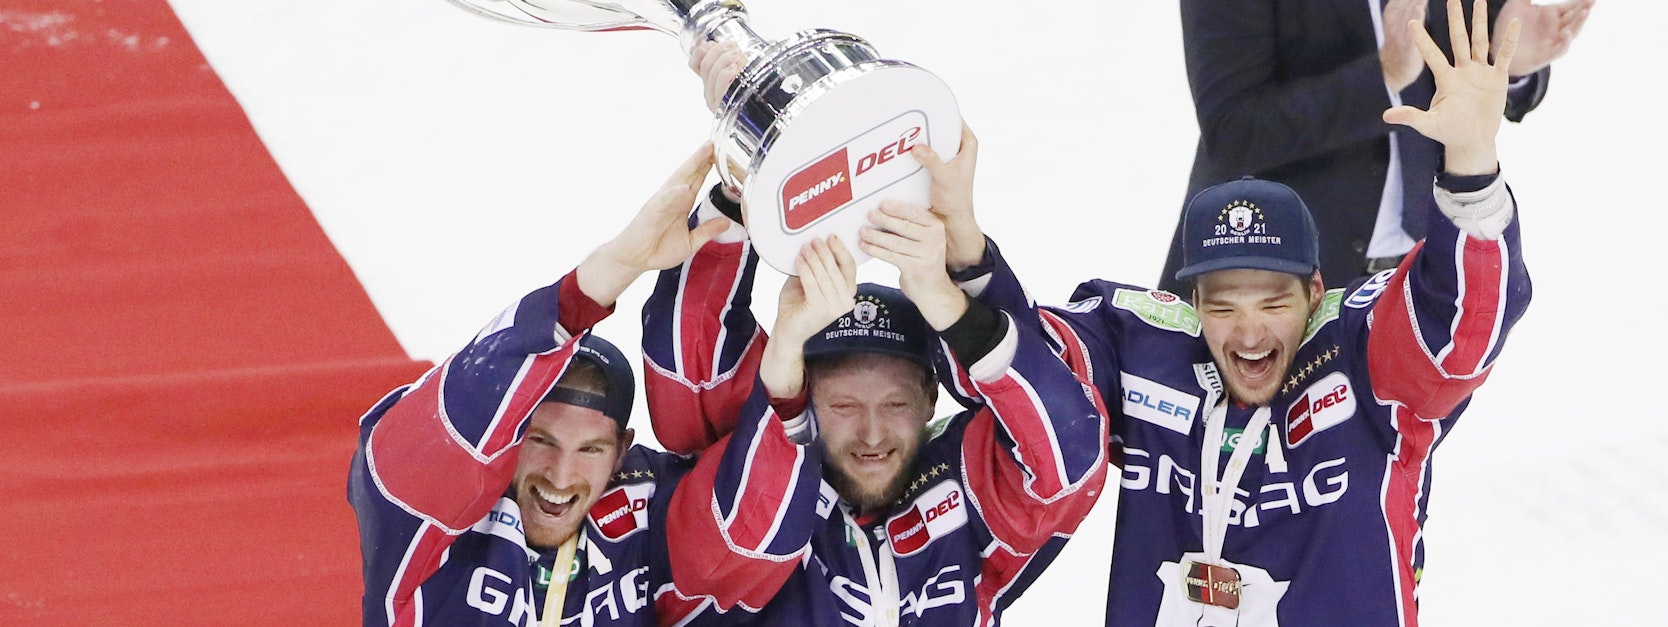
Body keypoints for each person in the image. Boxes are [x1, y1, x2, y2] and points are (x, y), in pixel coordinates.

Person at [935, 1, 1534, 623]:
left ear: (1315, 291)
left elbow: (1464, 327)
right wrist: (961, 249)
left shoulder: (1364, 363)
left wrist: (1472, 169)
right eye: (1223, 306)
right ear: (1191, 303)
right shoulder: (1144, 355)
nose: (1249, 332)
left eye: (1274, 301)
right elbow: (1034, 365)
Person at [346, 145, 827, 626]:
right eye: (541, 440)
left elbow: (746, 535)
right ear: (509, 436)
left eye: (591, 450)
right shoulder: (429, 531)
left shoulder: (640, 514)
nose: (560, 474)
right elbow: (439, 434)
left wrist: (785, 358)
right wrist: (616, 265)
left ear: (623, 451)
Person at [638, 134, 1110, 624]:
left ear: (931, 398)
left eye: (895, 405)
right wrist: (743, 189)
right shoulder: (744, 481)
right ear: (806, 394)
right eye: (843, 406)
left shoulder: (962, 491)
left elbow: (1068, 452)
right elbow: (691, 363)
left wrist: (956, 280)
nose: (872, 433)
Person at [1161, 0, 1591, 292]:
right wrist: (1382, 75)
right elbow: (1233, 132)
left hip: (1407, 285)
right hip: (1261, 285)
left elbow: (1483, 42)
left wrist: (1508, 61)